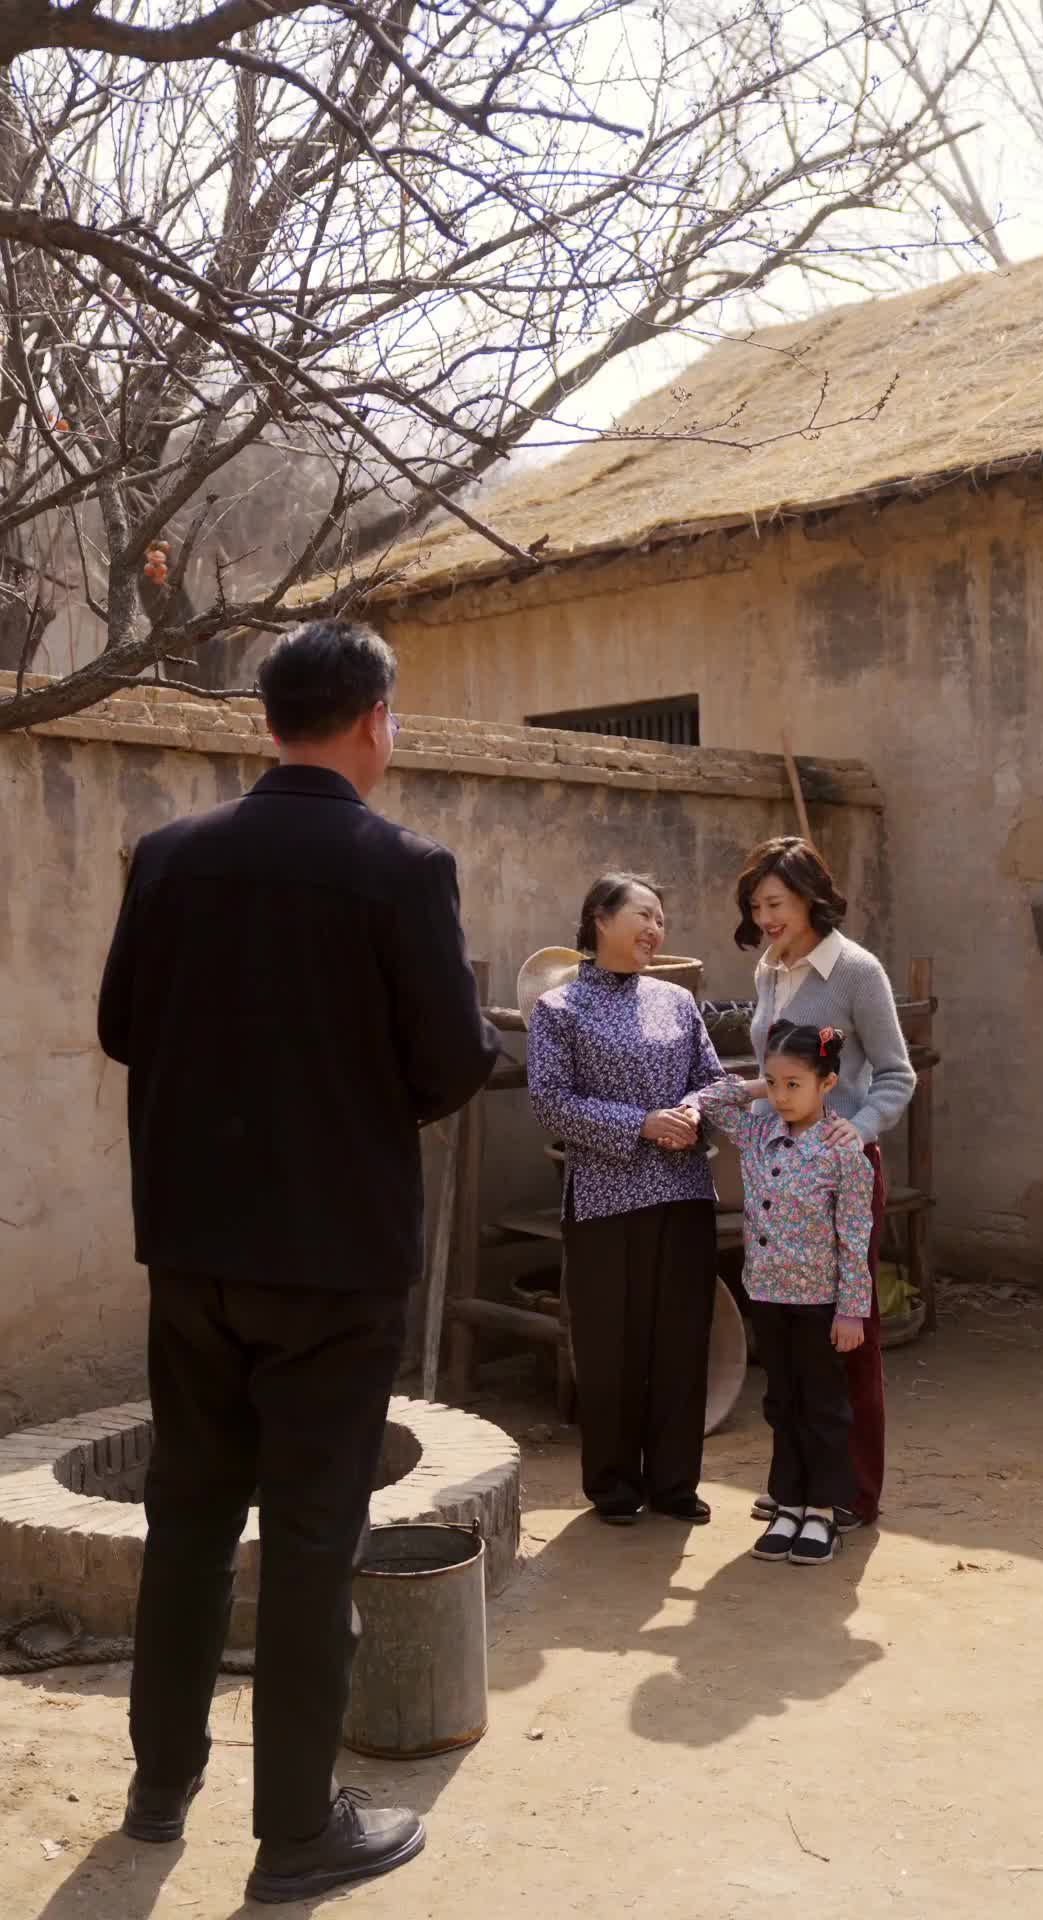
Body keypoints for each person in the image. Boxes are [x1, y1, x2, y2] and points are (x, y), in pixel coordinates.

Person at [97, 619, 498, 1906]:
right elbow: (452, 1064)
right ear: (376, 720)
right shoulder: (402, 870)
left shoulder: (170, 858)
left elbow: (120, 1026)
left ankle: (160, 1788)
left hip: (194, 1250)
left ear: (269, 721)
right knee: (315, 1536)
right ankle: (295, 1828)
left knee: (188, 1521)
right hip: (333, 1262)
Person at [526, 874, 721, 1527]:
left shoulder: (677, 1001)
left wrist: (692, 1113)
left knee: (681, 1340)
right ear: (600, 919)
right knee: (610, 1345)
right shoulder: (559, 1008)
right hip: (605, 1200)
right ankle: (613, 1484)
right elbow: (550, 1102)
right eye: (644, 915)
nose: (655, 929)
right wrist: (640, 1124)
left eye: (661, 919)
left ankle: (674, 1482)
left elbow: (712, 1081)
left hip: (684, 1191)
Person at [732, 836, 916, 1529]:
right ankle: (800, 1484)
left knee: (849, 1336)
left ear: (812, 897)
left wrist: (859, 1130)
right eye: (756, 906)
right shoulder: (769, 968)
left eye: (776, 903)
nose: (766, 918)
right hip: (781, 1178)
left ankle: (852, 1493)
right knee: (790, 1350)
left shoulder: (857, 972)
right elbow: (774, 1072)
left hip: (840, 1175)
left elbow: (896, 1073)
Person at [694, 1022, 874, 1565]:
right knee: (781, 1402)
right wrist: (759, 1083)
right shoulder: (756, 1132)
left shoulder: (843, 1151)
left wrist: (852, 1311)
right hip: (767, 1296)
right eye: (773, 1084)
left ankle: (823, 1512)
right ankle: (789, 1503)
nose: (780, 1096)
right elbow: (708, 1099)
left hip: (821, 1304)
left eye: (794, 1084)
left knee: (823, 1406)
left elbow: (855, 1238)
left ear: (828, 1083)